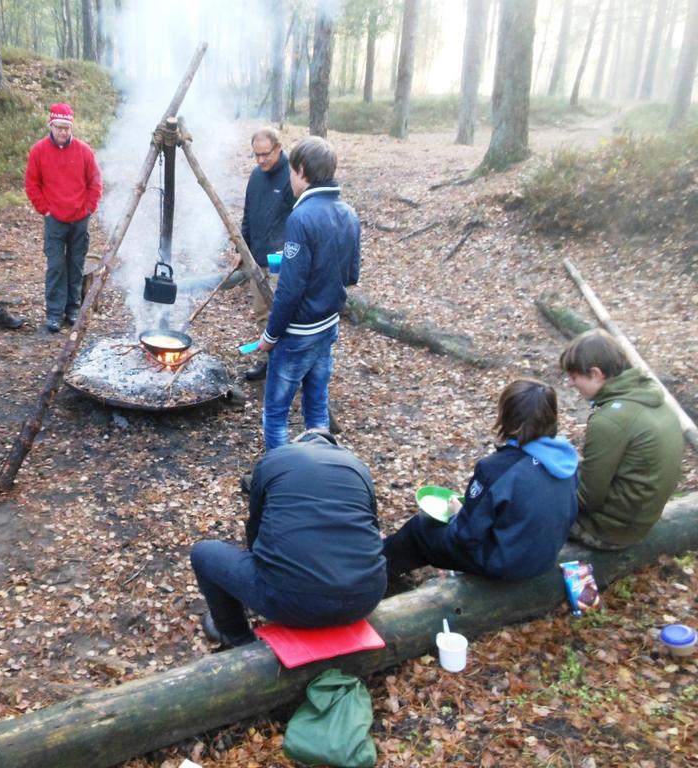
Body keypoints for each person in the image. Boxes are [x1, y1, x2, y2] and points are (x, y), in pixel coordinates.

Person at [190, 429, 386, 649]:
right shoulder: (358, 467)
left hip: (294, 602)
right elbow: (372, 527)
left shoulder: (274, 459)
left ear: (297, 442)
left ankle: (236, 637)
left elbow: (255, 526)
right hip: (367, 596)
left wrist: (264, 568)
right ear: (333, 447)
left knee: (203, 553)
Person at [383, 379, 579, 583]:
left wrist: (456, 514)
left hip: (507, 564)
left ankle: (376, 571)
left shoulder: (496, 469)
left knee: (421, 528)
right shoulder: (566, 459)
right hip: (544, 557)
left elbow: (465, 536)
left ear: (508, 418)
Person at [257, 137, 361, 451]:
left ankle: (280, 480)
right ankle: (322, 468)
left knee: (276, 412)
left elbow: (289, 292)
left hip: (298, 333)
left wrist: (270, 335)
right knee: (316, 406)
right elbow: (351, 275)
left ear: (301, 171)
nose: (290, 178)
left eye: (291, 171)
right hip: (328, 325)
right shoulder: (348, 213)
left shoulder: (301, 218)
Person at [560, 329, 683, 549]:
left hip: (610, 532)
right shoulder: (650, 398)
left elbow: (587, 500)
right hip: (641, 517)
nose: (570, 383)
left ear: (596, 374)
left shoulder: (609, 421)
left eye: (574, 376)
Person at [24, 102, 103, 333]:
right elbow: (32, 184)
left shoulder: (84, 151)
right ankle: (54, 314)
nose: (63, 132)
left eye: (67, 128)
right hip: (55, 219)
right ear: (51, 125)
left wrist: (89, 207)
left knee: (76, 265)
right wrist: (45, 210)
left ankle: (73, 309)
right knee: (56, 265)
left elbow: (95, 182)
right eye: (59, 127)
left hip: (80, 218)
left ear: (71, 127)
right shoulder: (39, 151)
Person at [240, 126, 295, 382]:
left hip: (283, 262)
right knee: (262, 312)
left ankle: (286, 362)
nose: (261, 160)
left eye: (265, 154)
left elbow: (300, 221)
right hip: (258, 257)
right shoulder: (256, 176)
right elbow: (248, 215)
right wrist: (244, 248)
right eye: (256, 155)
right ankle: (266, 361)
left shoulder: (292, 177)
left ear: (278, 148)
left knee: (282, 313)